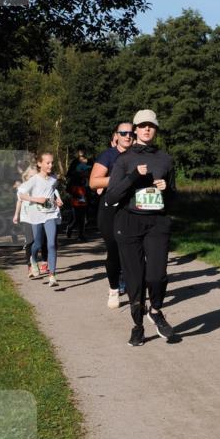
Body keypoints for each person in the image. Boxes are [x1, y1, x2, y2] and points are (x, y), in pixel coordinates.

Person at [106, 109, 177, 347]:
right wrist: (133, 177)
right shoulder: (124, 160)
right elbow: (111, 197)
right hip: (128, 222)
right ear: (135, 129)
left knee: (157, 275)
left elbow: (175, 199)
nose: (147, 129)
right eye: (142, 125)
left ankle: (156, 311)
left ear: (156, 130)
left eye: (151, 126)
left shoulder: (165, 159)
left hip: (157, 222)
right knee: (135, 281)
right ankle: (137, 326)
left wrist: (167, 190)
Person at [89, 122, 134, 309]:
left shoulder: (139, 154)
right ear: (116, 135)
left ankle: (134, 291)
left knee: (133, 251)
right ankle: (114, 288)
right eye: (123, 132)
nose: (127, 136)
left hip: (133, 208)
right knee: (114, 250)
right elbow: (94, 182)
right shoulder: (108, 155)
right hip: (110, 210)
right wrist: (120, 180)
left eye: (131, 132)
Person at [17, 152, 64, 287]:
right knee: (37, 244)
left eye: (52, 162)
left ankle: (52, 276)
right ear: (39, 164)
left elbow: (53, 190)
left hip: (51, 214)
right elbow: (21, 194)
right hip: (36, 216)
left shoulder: (53, 178)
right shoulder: (34, 179)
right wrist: (36, 199)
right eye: (48, 163)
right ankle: (33, 259)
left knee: (51, 244)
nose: (51, 165)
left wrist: (58, 200)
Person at [65, 146, 91, 241]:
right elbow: (68, 175)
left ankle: (81, 235)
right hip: (76, 190)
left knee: (84, 216)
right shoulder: (75, 162)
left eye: (83, 150)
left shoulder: (90, 161)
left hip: (85, 189)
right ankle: (70, 227)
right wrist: (78, 174)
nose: (81, 152)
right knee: (77, 216)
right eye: (80, 150)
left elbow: (93, 172)